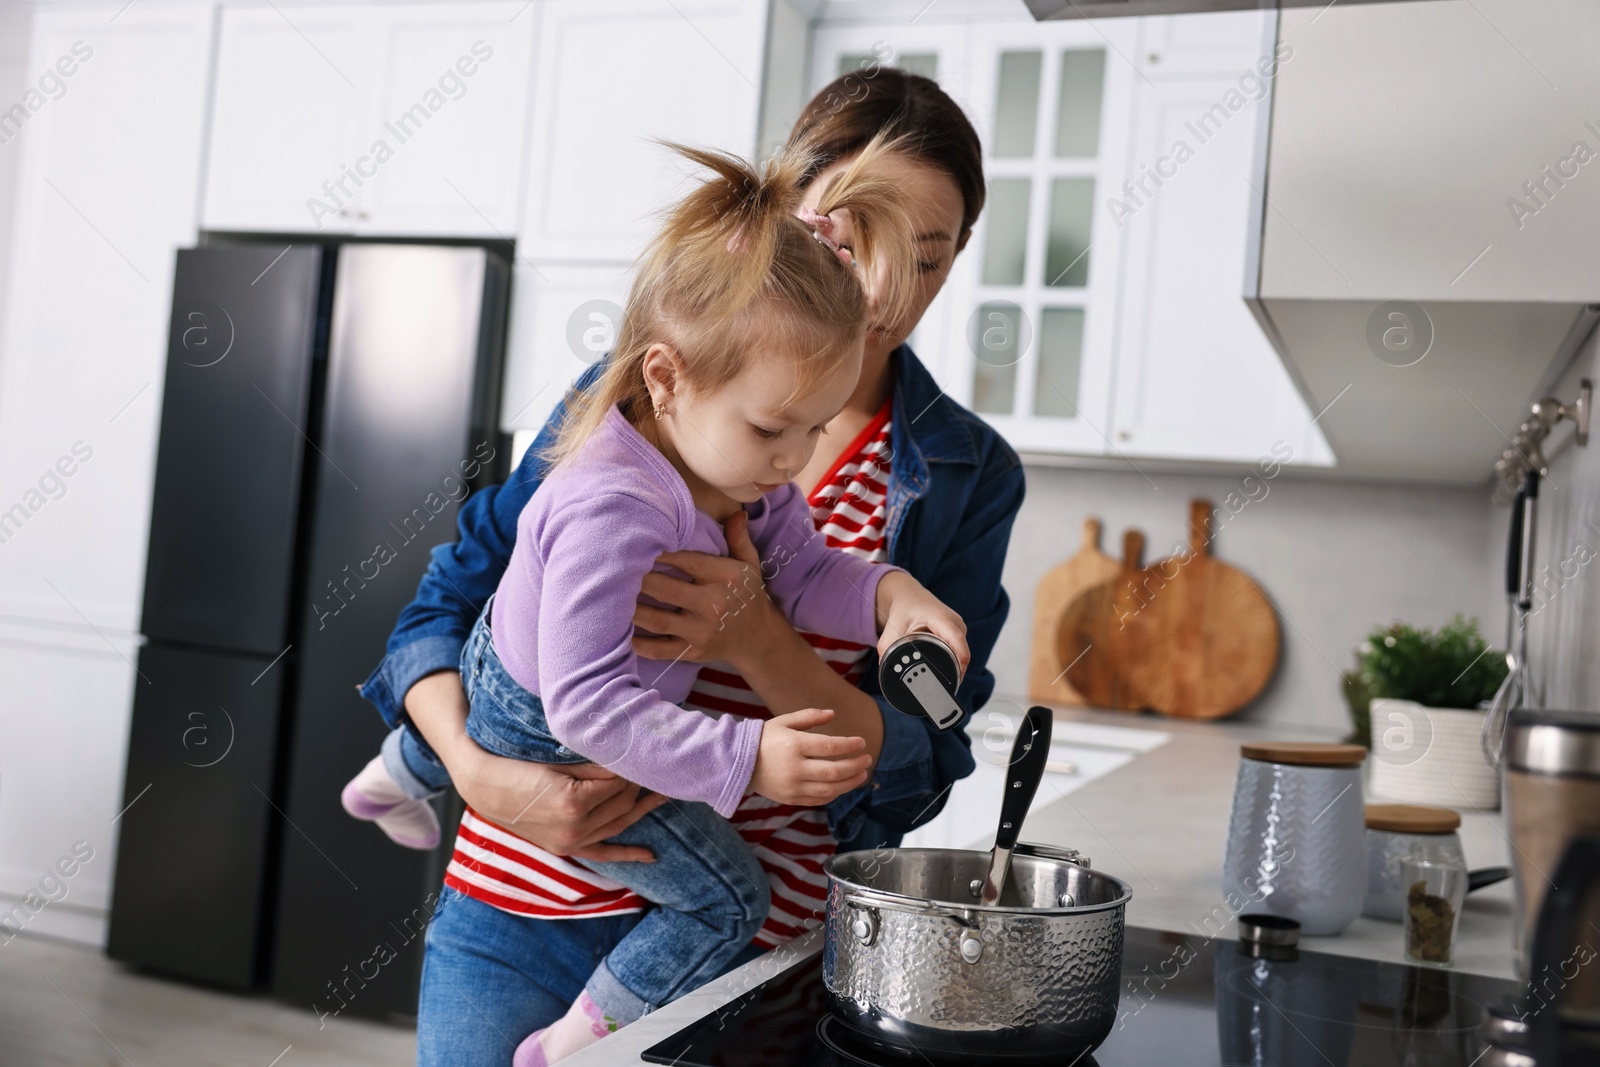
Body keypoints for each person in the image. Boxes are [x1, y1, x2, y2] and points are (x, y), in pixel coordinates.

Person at [357, 69, 1023, 1065]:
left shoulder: (961, 474)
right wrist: (471, 769)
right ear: (784, 218)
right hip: (517, 899)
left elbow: (914, 773)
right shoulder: (636, 395)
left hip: (734, 948)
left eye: (925, 262)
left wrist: (765, 633)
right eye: (849, 243)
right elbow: (461, 592)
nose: (882, 294)